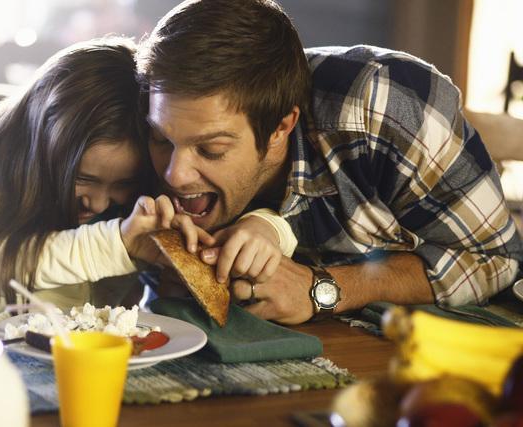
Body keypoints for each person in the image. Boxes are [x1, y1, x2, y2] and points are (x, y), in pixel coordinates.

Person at [136, 0, 523, 325]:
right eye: (161, 139)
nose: (174, 174)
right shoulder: (144, 113)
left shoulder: (381, 107)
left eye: (212, 150)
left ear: (280, 127)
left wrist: (320, 287)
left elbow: (496, 261)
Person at [0, 36, 293, 331]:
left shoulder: (144, 198)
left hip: (51, 369)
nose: (100, 201)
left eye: (121, 184)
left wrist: (265, 229)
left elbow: (219, 236)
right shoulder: (0, 175)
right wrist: (119, 242)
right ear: (40, 145)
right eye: (83, 178)